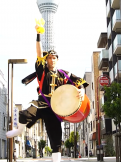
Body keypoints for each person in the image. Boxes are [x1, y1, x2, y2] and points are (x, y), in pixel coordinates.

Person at [6, 23, 88, 162]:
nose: (52, 60)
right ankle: (19, 130)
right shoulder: (41, 71)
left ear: (57, 60)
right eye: (49, 57)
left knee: (56, 139)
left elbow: (79, 81)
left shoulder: (64, 74)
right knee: (25, 114)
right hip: (42, 103)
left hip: (55, 109)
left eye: (54, 58)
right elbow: (38, 53)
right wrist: (38, 34)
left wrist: (81, 89)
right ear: (47, 59)